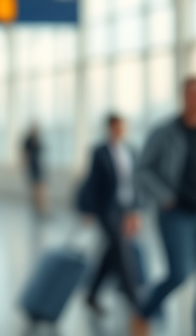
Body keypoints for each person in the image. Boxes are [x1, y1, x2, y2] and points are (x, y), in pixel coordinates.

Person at [134, 77, 196, 336]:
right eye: (191, 94)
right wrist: (164, 196)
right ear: (183, 97)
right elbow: (142, 170)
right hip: (175, 213)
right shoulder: (164, 132)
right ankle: (144, 310)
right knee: (180, 274)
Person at [78, 113, 142, 321]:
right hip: (107, 209)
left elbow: (135, 183)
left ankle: (91, 294)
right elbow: (92, 181)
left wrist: (136, 210)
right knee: (122, 249)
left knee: (112, 252)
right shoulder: (100, 152)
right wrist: (87, 209)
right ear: (109, 129)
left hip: (126, 207)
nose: (120, 131)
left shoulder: (131, 151)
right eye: (117, 127)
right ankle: (136, 301)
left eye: (123, 127)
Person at [22, 123, 47, 216]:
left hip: (38, 166)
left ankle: (42, 207)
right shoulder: (28, 140)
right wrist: (26, 166)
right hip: (32, 167)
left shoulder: (37, 140)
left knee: (40, 187)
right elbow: (25, 154)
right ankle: (37, 207)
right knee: (35, 188)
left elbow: (41, 152)